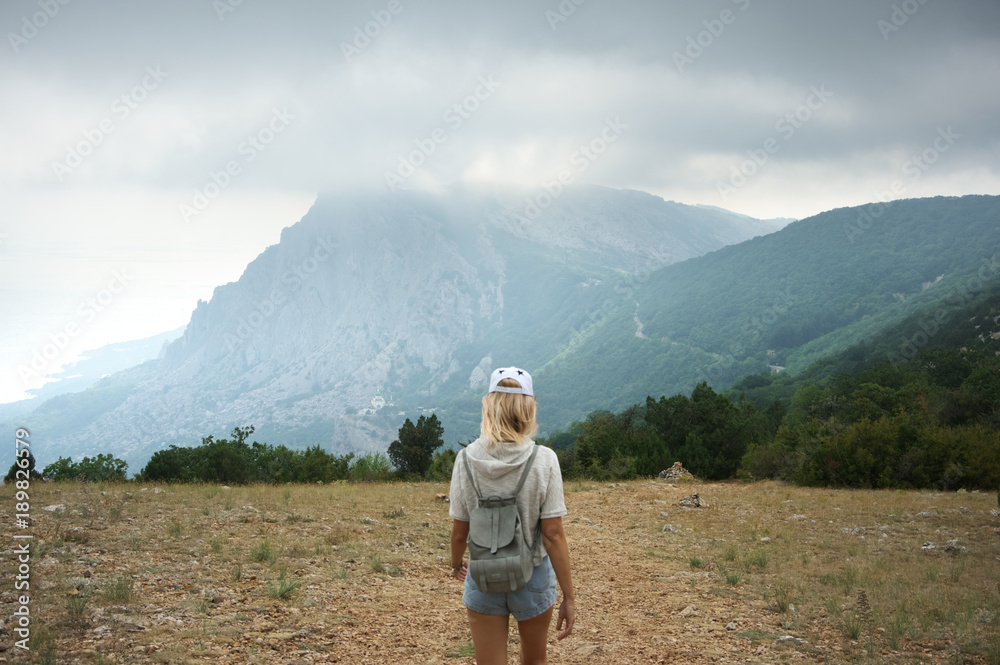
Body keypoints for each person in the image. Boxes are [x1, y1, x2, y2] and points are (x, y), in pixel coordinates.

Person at [449, 366, 575, 665]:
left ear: (489, 406)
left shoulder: (465, 459)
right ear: (528, 408)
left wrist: (456, 565)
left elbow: (458, 532)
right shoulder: (544, 459)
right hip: (532, 575)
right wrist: (569, 596)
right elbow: (553, 534)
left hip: (482, 574)